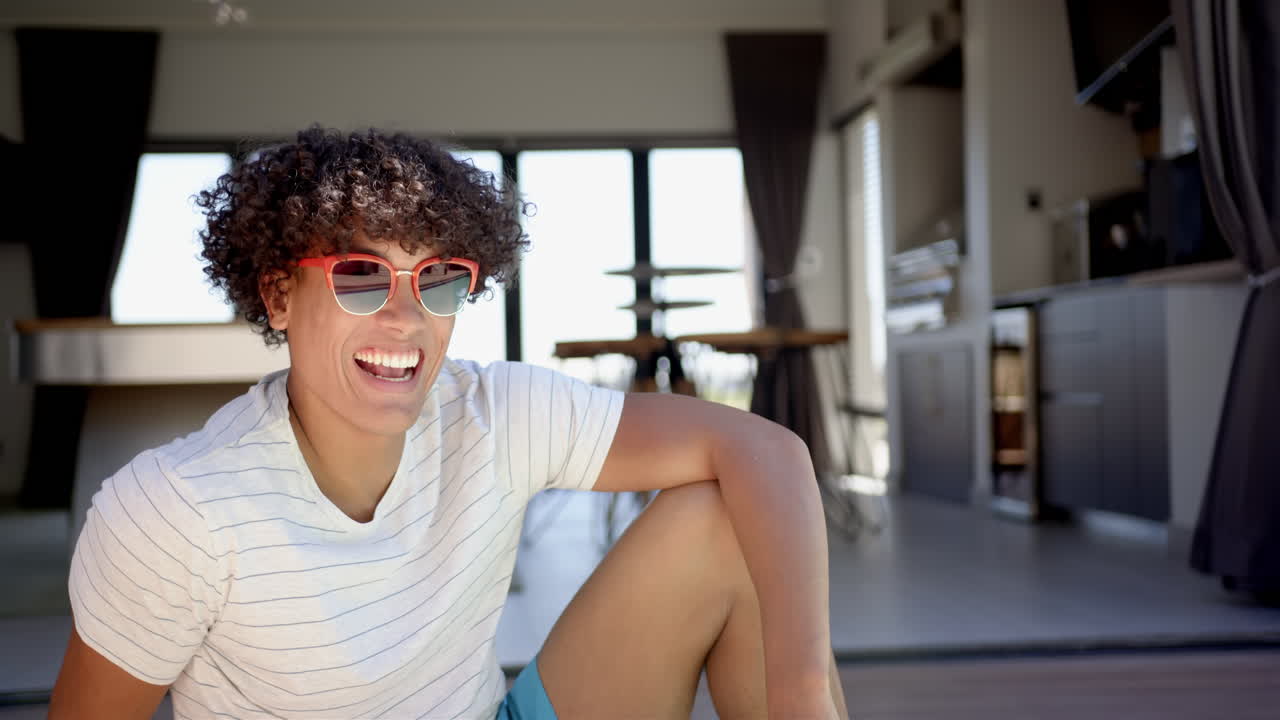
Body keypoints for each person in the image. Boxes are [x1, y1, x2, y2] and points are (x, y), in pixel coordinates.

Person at [48, 127, 850, 720]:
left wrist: (800, 690)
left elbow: (763, 448)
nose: (405, 316)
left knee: (725, 512)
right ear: (279, 296)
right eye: (360, 276)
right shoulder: (173, 510)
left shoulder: (491, 412)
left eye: (436, 280)